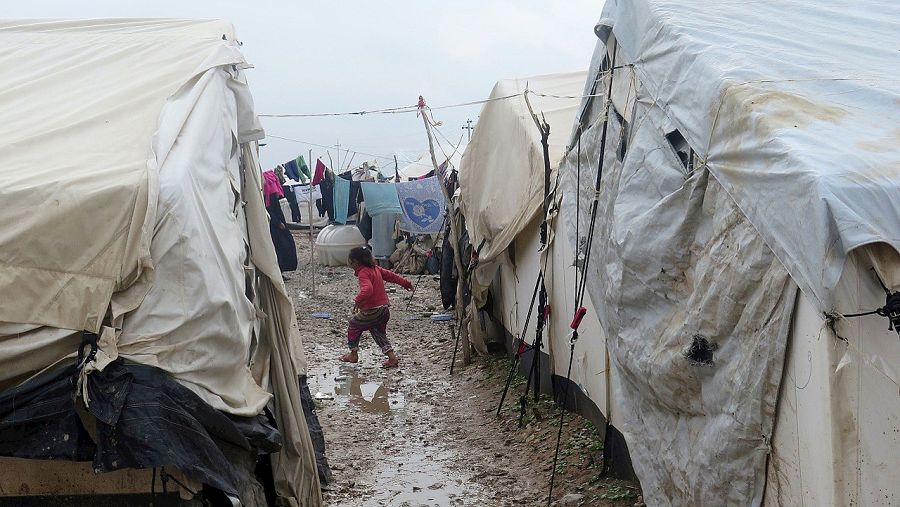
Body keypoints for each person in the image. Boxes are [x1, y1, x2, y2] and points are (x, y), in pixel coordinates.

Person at [341, 247, 412, 368]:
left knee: (354, 324)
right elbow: (392, 276)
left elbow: (368, 290)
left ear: (355, 262)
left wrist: (358, 300)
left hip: (374, 310)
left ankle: (353, 354)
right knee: (377, 332)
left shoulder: (363, 273)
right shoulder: (376, 269)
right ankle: (392, 358)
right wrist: (406, 283)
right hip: (384, 309)